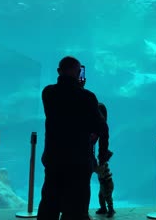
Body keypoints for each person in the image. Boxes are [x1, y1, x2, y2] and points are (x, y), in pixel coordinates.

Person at [37, 56, 105, 220]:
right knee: (76, 209)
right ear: (78, 72)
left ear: (59, 71)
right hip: (79, 162)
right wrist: (81, 89)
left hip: (54, 159)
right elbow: (99, 126)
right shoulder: (88, 97)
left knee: (49, 204)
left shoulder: (48, 93)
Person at [93, 102, 115, 218]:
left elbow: (103, 146)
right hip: (105, 183)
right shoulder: (99, 126)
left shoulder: (102, 128)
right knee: (103, 196)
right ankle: (105, 208)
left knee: (106, 196)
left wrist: (96, 165)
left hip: (106, 183)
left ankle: (109, 209)